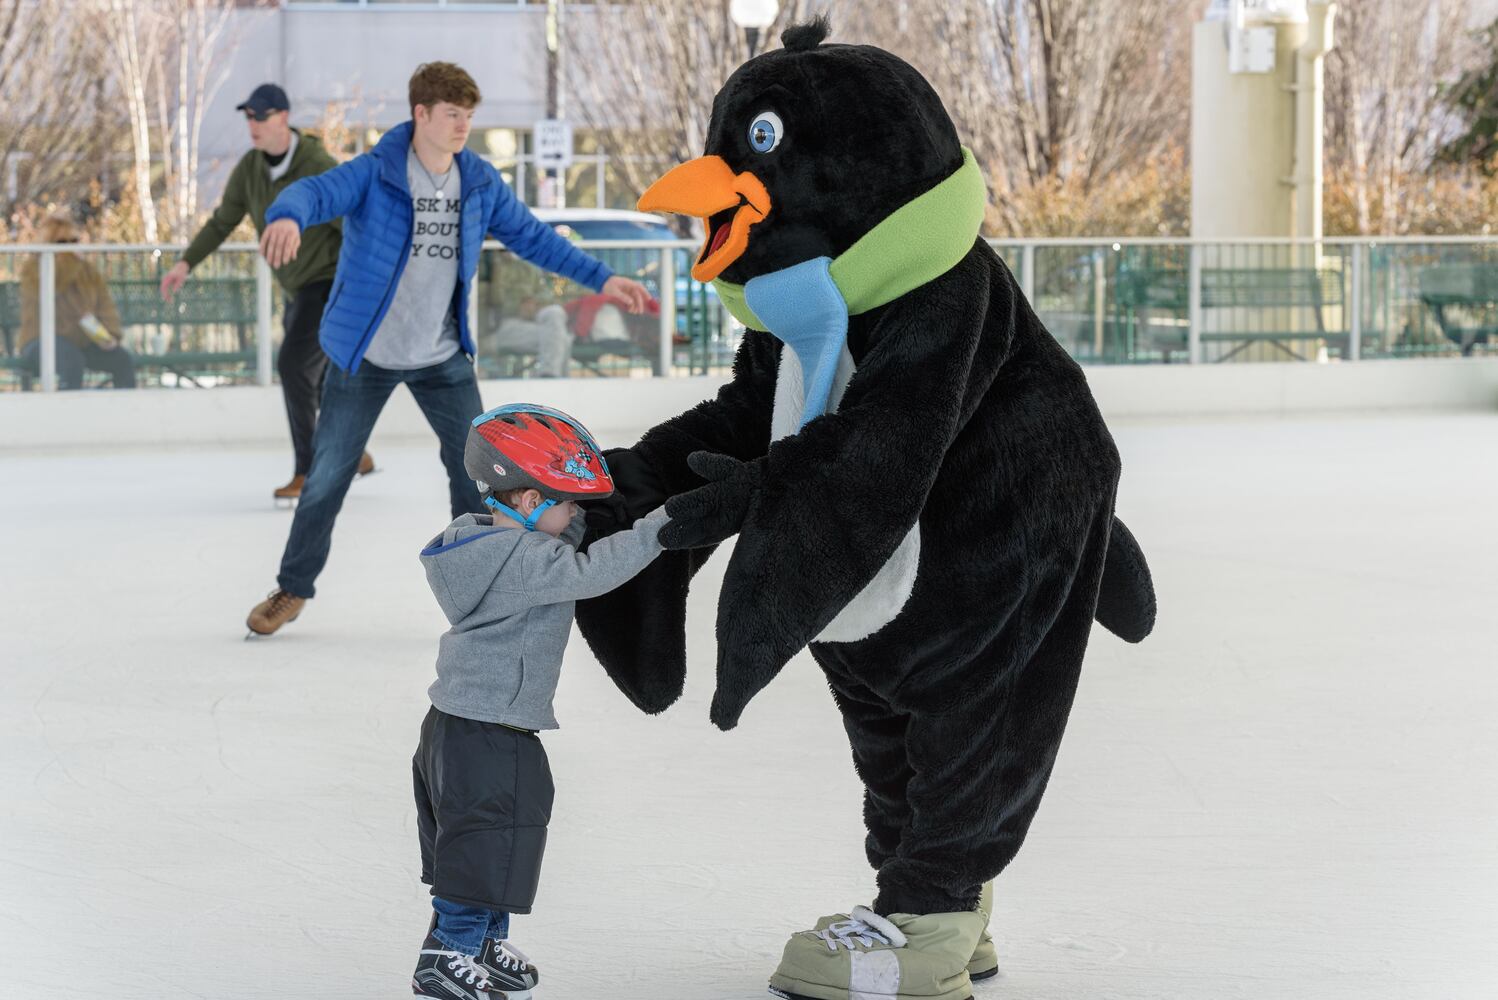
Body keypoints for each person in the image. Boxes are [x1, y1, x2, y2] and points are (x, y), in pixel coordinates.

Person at [244, 61, 653, 637]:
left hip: (441, 357)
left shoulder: (478, 181)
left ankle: (487, 584)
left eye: (469, 116)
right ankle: (292, 587)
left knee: (479, 476)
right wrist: (286, 213)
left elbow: (534, 238)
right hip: (365, 357)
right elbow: (316, 191)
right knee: (326, 477)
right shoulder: (377, 172)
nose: (463, 126)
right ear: (421, 114)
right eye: (452, 115)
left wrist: (604, 279)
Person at [410, 404, 668, 1000]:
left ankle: (479, 943)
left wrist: (590, 500)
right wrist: (662, 526)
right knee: (487, 840)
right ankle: (446, 954)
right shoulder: (527, 562)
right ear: (527, 502)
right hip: (491, 728)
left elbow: (561, 541)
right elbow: (593, 570)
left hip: (455, 727)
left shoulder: (482, 544)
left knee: (494, 839)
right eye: (565, 502)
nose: (575, 515)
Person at [160, 82, 373, 502]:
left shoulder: (316, 163)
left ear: (283, 118)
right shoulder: (251, 169)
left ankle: (309, 472)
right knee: (318, 377)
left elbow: (351, 225)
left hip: (331, 285)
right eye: (248, 117)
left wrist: (373, 283)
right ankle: (352, 452)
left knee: (295, 365)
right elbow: (223, 221)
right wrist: (186, 262)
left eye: (260, 116)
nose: (252, 125)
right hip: (297, 288)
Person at [18, 213, 136, 390]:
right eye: (62, 243)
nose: (70, 248)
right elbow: (50, 291)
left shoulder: (88, 271)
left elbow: (106, 305)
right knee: (71, 359)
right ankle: (67, 412)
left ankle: (127, 411)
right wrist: (69, 262)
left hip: (82, 341)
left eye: (74, 241)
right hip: (40, 341)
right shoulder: (35, 269)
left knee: (122, 359)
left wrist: (110, 335)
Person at [492, 295, 571, 376]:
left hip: (540, 331)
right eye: (526, 303)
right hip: (505, 328)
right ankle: (551, 375)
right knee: (557, 322)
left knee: (560, 333)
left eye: (535, 304)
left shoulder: (547, 326)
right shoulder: (510, 322)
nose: (530, 307)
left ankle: (552, 375)